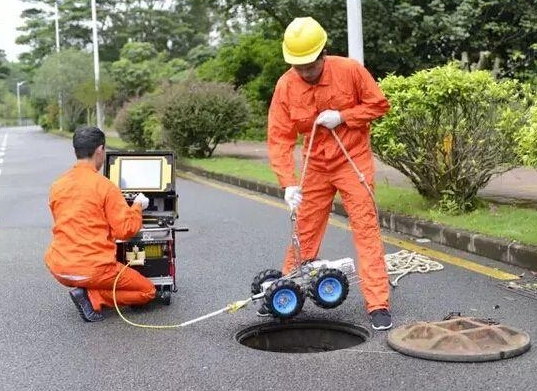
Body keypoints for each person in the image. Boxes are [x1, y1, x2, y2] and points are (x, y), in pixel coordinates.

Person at [264, 17, 392, 330]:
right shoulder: (286, 85)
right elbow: (279, 137)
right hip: (315, 166)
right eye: (299, 66)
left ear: (323, 53)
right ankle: (283, 295)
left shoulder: (350, 70)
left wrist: (345, 116)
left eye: (310, 64)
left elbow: (379, 105)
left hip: (352, 160)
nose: (305, 72)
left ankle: (377, 304)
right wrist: (288, 184)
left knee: (365, 229)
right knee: (304, 231)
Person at [44, 126, 156, 322]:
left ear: (75, 151)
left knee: (95, 272)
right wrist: (137, 206)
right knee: (147, 291)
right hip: (94, 269)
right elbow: (125, 230)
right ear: (100, 150)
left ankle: (88, 290)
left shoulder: (57, 185)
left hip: (60, 267)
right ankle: (93, 296)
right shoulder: (105, 186)